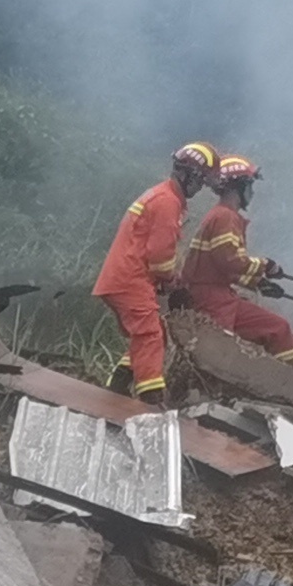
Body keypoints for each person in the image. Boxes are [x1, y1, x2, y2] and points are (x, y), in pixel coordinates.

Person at [93, 139, 222, 401]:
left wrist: (165, 283)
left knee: (150, 336)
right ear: (188, 175)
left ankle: (115, 391)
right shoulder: (167, 202)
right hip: (131, 280)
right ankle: (151, 402)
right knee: (150, 336)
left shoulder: (162, 195)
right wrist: (172, 282)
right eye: (200, 182)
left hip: (124, 279)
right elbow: (160, 257)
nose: (199, 190)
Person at [171, 154, 293, 358]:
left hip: (221, 295)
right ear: (237, 187)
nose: (251, 192)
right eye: (249, 186)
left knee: (278, 329)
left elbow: (223, 269)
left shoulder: (224, 216)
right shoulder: (224, 217)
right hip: (210, 300)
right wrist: (266, 265)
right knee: (215, 353)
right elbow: (230, 260)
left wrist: (257, 283)